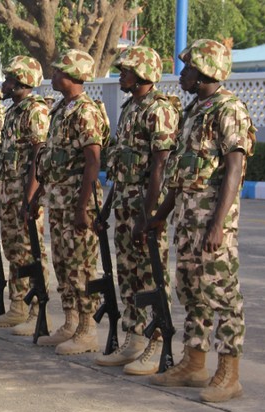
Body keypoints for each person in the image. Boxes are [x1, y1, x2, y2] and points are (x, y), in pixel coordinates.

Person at [146, 39, 255, 403]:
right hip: (188, 223)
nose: (183, 74)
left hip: (211, 223)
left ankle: (229, 371)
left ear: (206, 70)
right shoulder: (195, 111)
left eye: (189, 67)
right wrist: (160, 216)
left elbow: (234, 169)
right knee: (192, 291)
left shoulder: (228, 109)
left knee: (222, 295)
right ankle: (194, 362)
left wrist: (217, 224)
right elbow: (181, 175)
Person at [94, 46, 178, 374]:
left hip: (144, 207)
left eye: (126, 71)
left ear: (143, 74)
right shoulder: (130, 108)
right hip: (124, 205)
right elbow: (121, 167)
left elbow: (160, 166)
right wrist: (106, 207)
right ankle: (133, 337)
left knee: (150, 275)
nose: (121, 76)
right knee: (128, 272)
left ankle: (156, 341)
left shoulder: (159, 110)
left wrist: (148, 215)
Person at [33, 50, 108, 354]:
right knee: (63, 263)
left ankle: (87, 328)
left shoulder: (86, 111)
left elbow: (93, 161)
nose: (52, 76)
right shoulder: (61, 109)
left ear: (72, 75)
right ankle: (70, 321)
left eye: (57, 71)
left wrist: (82, 207)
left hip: (78, 200)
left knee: (82, 265)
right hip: (59, 199)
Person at [0, 56, 51, 335]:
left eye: (10, 78)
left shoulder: (35, 110)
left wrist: (30, 197)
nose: (5, 83)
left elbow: (38, 154)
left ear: (22, 81)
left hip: (25, 192)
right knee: (13, 249)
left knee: (30, 250)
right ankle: (18, 306)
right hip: (9, 191)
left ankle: (37, 308)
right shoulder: (14, 110)